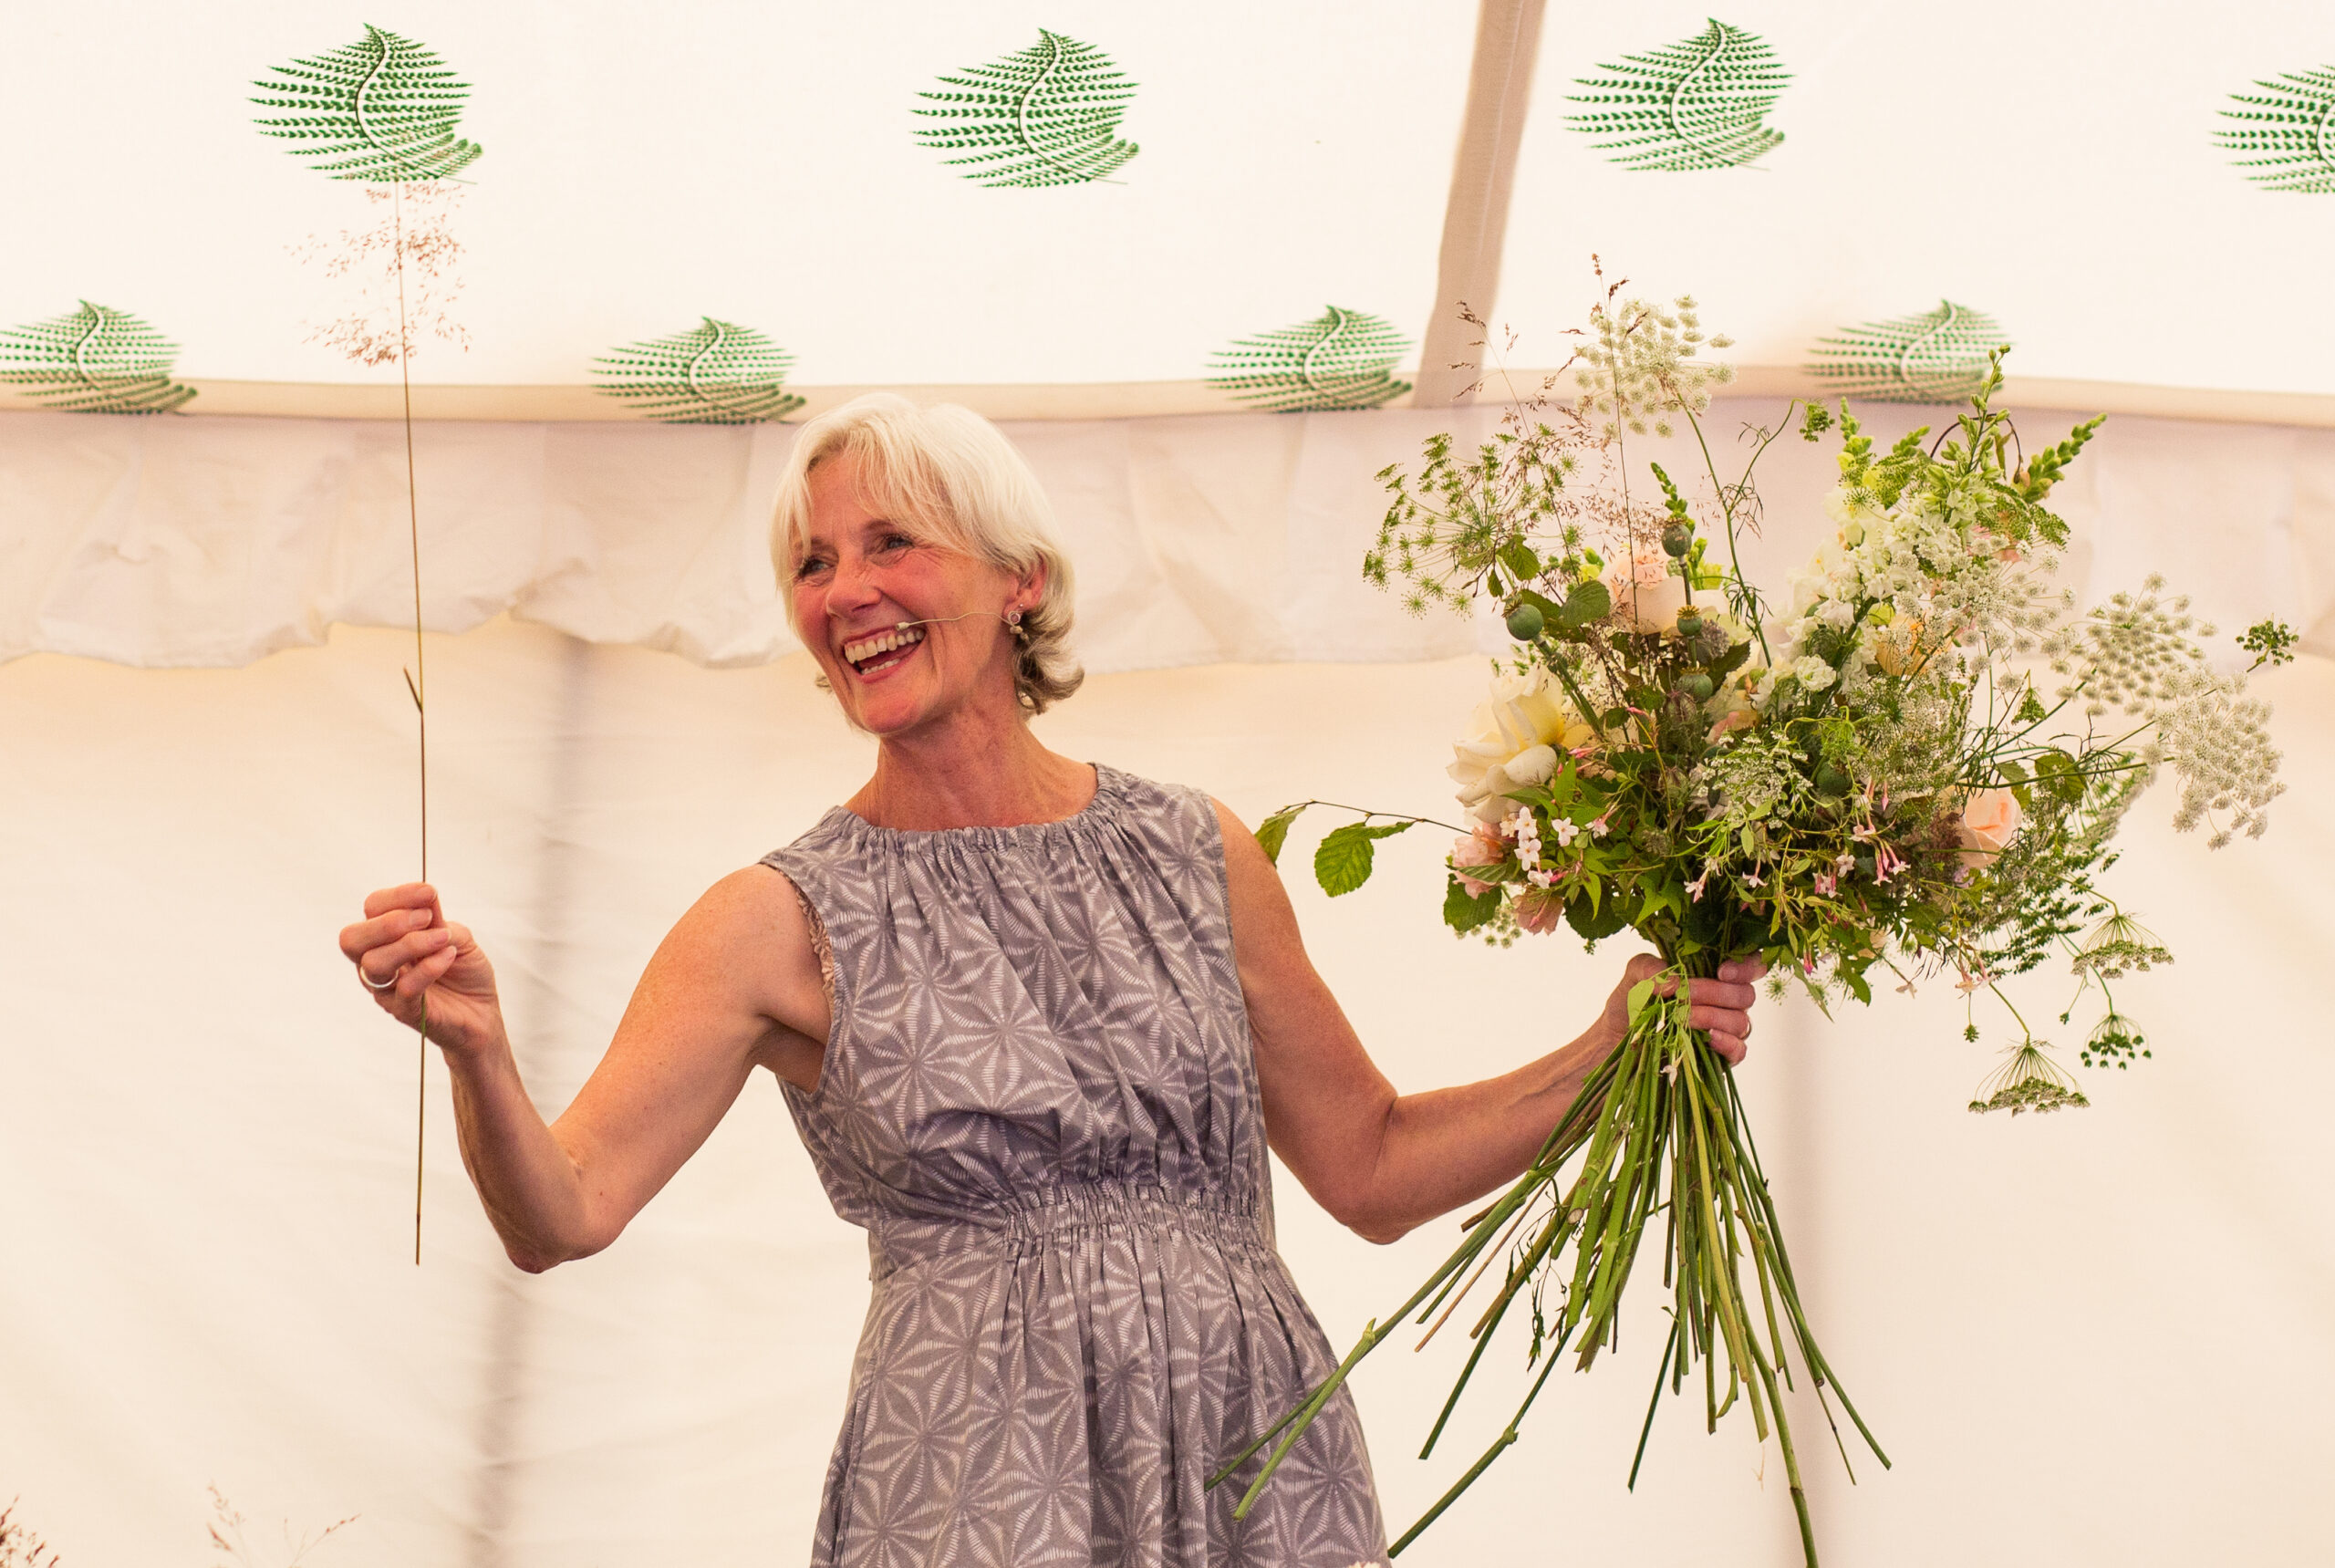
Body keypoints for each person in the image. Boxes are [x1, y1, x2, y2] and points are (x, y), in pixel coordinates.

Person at [338, 394, 1763, 1568]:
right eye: (814, 564)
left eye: (892, 542)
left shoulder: (1195, 850)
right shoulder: (774, 920)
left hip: (1240, 1447)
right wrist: (477, 1052)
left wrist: (1617, 1049)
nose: (848, 594)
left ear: (1020, 578)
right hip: (972, 1478)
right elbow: (561, 1214)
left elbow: (1372, 1166)